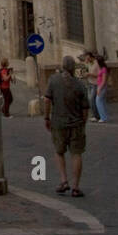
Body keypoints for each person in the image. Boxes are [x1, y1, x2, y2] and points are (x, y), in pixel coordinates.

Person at [44, 56, 90, 196]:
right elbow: (85, 108)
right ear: (74, 68)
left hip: (58, 123)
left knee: (59, 152)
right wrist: (83, 122)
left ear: (62, 66)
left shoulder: (53, 80)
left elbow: (47, 100)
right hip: (76, 124)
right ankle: (75, 187)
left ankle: (64, 180)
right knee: (76, 154)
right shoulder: (80, 84)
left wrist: (47, 117)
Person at [83, 52, 100, 120]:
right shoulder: (89, 63)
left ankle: (96, 116)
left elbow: (99, 75)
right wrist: (86, 62)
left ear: (91, 57)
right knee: (90, 100)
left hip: (95, 84)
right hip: (90, 83)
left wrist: (90, 74)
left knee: (92, 100)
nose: (87, 59)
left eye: (88, 58)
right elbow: (86, 68)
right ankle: (94, 115)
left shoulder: (97, 63)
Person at [94, 53, 110, 122]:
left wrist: (99, 88)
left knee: (98, 101)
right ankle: (104, 116)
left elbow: (104, 81)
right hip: (100, 86)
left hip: (102, 87)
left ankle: (103, 117)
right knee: (102, 102)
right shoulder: (101, 68)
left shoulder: (103, 69)